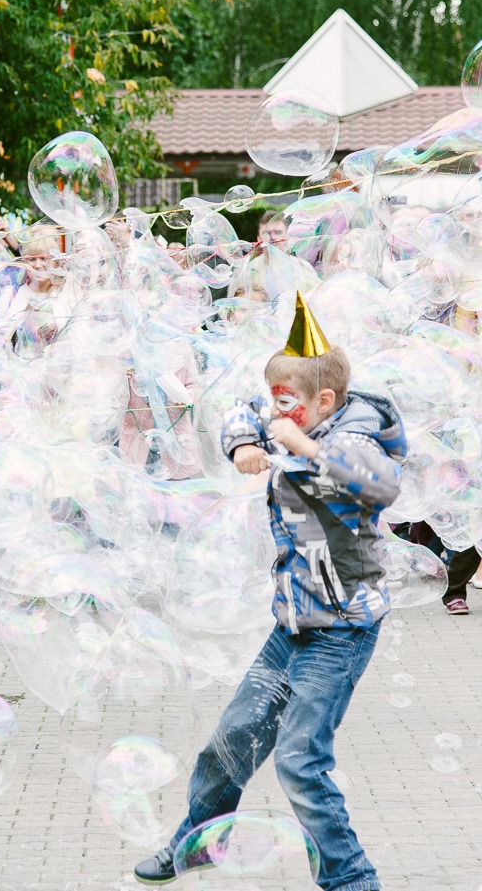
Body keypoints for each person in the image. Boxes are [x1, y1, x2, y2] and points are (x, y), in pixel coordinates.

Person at [133, 296, 405, 891]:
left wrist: (304, 449)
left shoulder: (356, 436)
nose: (275, 411)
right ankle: (198, 844)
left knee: (300, 761)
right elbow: (242, 411)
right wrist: (243, 446)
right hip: (293, 625)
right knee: (230, 739)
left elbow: (381, 486)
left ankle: (353, 880)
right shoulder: (288, 410)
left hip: (341, 630)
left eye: (288, 404)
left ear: (322, 404)